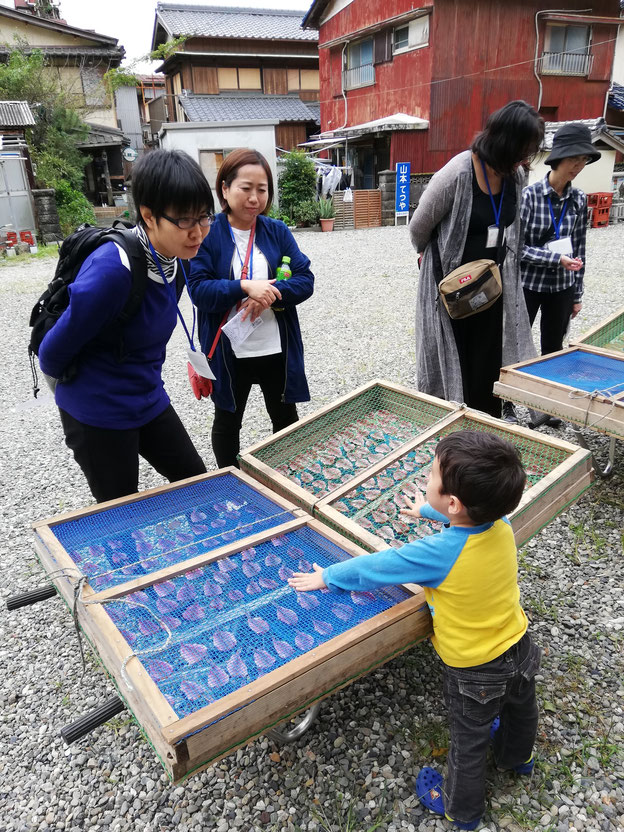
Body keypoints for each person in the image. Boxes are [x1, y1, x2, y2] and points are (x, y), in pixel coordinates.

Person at [288, 431, 540, 831]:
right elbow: (471, 516)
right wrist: (432, 512)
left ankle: (461, 811)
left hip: (475, 670)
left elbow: (381, 565)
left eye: (432, 475)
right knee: (521, 706)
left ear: (455, 502)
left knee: (469, 741)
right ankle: (518, 758)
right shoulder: (502, 523)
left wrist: (328, 576)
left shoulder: (439, 553)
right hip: (521, 647)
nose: (427, 478)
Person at [38, 149, 214, 502]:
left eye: (204, 217)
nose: (197, 232)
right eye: (184, 220)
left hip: (147, 397)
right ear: (148, 216)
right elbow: (51, 354)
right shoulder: (112, 270)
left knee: (198, 485)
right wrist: (94, 396)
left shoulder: (178, 258)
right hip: (98, 411)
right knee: (121, 514)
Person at [409, 100, 544, 422]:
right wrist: (429, 256)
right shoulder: (458, 172)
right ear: (504, 142)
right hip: (452, 290)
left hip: (492, 286)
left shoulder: (516, 175)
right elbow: (418, 227)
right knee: (454, 359)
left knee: (488, 359)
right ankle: (454, 423)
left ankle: (486, 425)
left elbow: (514, 227)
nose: (526, 158)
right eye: (522, 149)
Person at [188, 148, 314, 468]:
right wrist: (244, 287)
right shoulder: (209, 232)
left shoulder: (277, 231)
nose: (255, 198)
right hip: (231, 351)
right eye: (246, 188)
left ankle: (285, 480)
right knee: (228, 422)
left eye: (262, 189)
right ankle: (231, 482)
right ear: (225, 189)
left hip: (275, 348)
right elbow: (199, 290)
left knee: (285, 420)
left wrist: (270, 292)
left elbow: (305, 279)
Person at [521, 123, 599, 356]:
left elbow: (580, 249)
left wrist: (577, 296)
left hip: (562, 287)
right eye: (574, 158)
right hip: (529, 284)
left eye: (584, 159)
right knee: (516, 344)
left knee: (554, 348)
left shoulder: (578, 199)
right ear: (559, 157)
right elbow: (516, 249)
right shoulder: (529, 196)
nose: (579, 166)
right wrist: (556, 259)